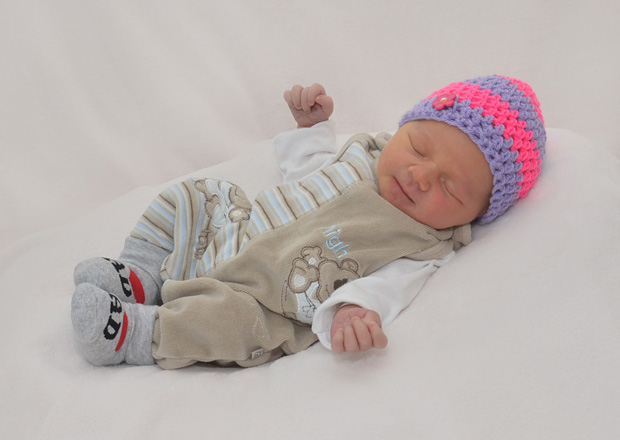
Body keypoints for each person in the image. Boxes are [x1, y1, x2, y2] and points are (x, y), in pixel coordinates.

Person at [71, 74, 546, 368]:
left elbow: (387, 287)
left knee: (233, 328)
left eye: (449, 188)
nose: (419, 176)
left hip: (265, 300)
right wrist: (311, 128)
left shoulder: (421, 244)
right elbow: (309, 170)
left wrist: (354, 311)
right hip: (235, 228)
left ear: (474, 214)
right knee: (196, 194)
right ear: (402, 128)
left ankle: (134, 333)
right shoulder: (363, 157)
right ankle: (141, 274)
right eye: (418, 147)